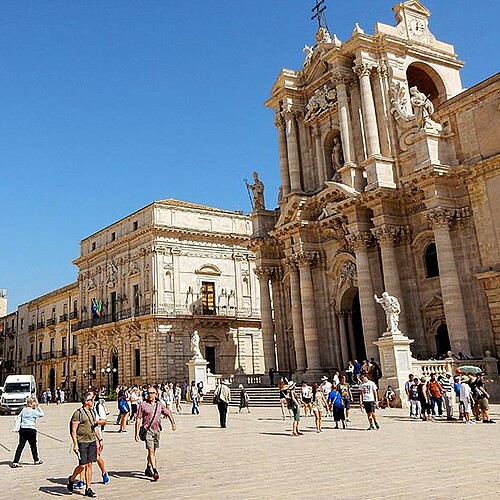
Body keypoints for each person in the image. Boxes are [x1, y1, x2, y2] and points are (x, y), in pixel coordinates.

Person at [135, 387, 176, 481]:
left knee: (153, 451)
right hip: (147, 431)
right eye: (149, 393)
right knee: (151, 451)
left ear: (156, 394)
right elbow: (138, 419)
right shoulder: (143, 405)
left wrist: (173, 423)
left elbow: (168, 412)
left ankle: (148, 467)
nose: (150, 395)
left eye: (152, 393)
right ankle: (155, 471)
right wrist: (136, 433)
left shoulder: (159, 405)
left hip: (157, 430)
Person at [67, 392, 99, 498]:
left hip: (92, 441)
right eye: (91, 400)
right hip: (82, 442)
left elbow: (94, 427)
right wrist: (75, 444)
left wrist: (99, 440)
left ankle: (88, 488)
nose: (93, 401)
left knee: (90, 465)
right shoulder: (78, 413)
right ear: (86, 402)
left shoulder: (92, 412)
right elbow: (73, 430)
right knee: (82, 465)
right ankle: (72, 479)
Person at [11, 396, 44, 467]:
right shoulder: (34, 412)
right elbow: (42, 414)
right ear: (32, 403)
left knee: (20, 445)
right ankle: (36, 460)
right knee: (33, 446)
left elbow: (19, 417)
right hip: (31, 430)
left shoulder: (24, 410)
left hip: (23, 429)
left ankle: (15, 461)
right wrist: (38, 407)